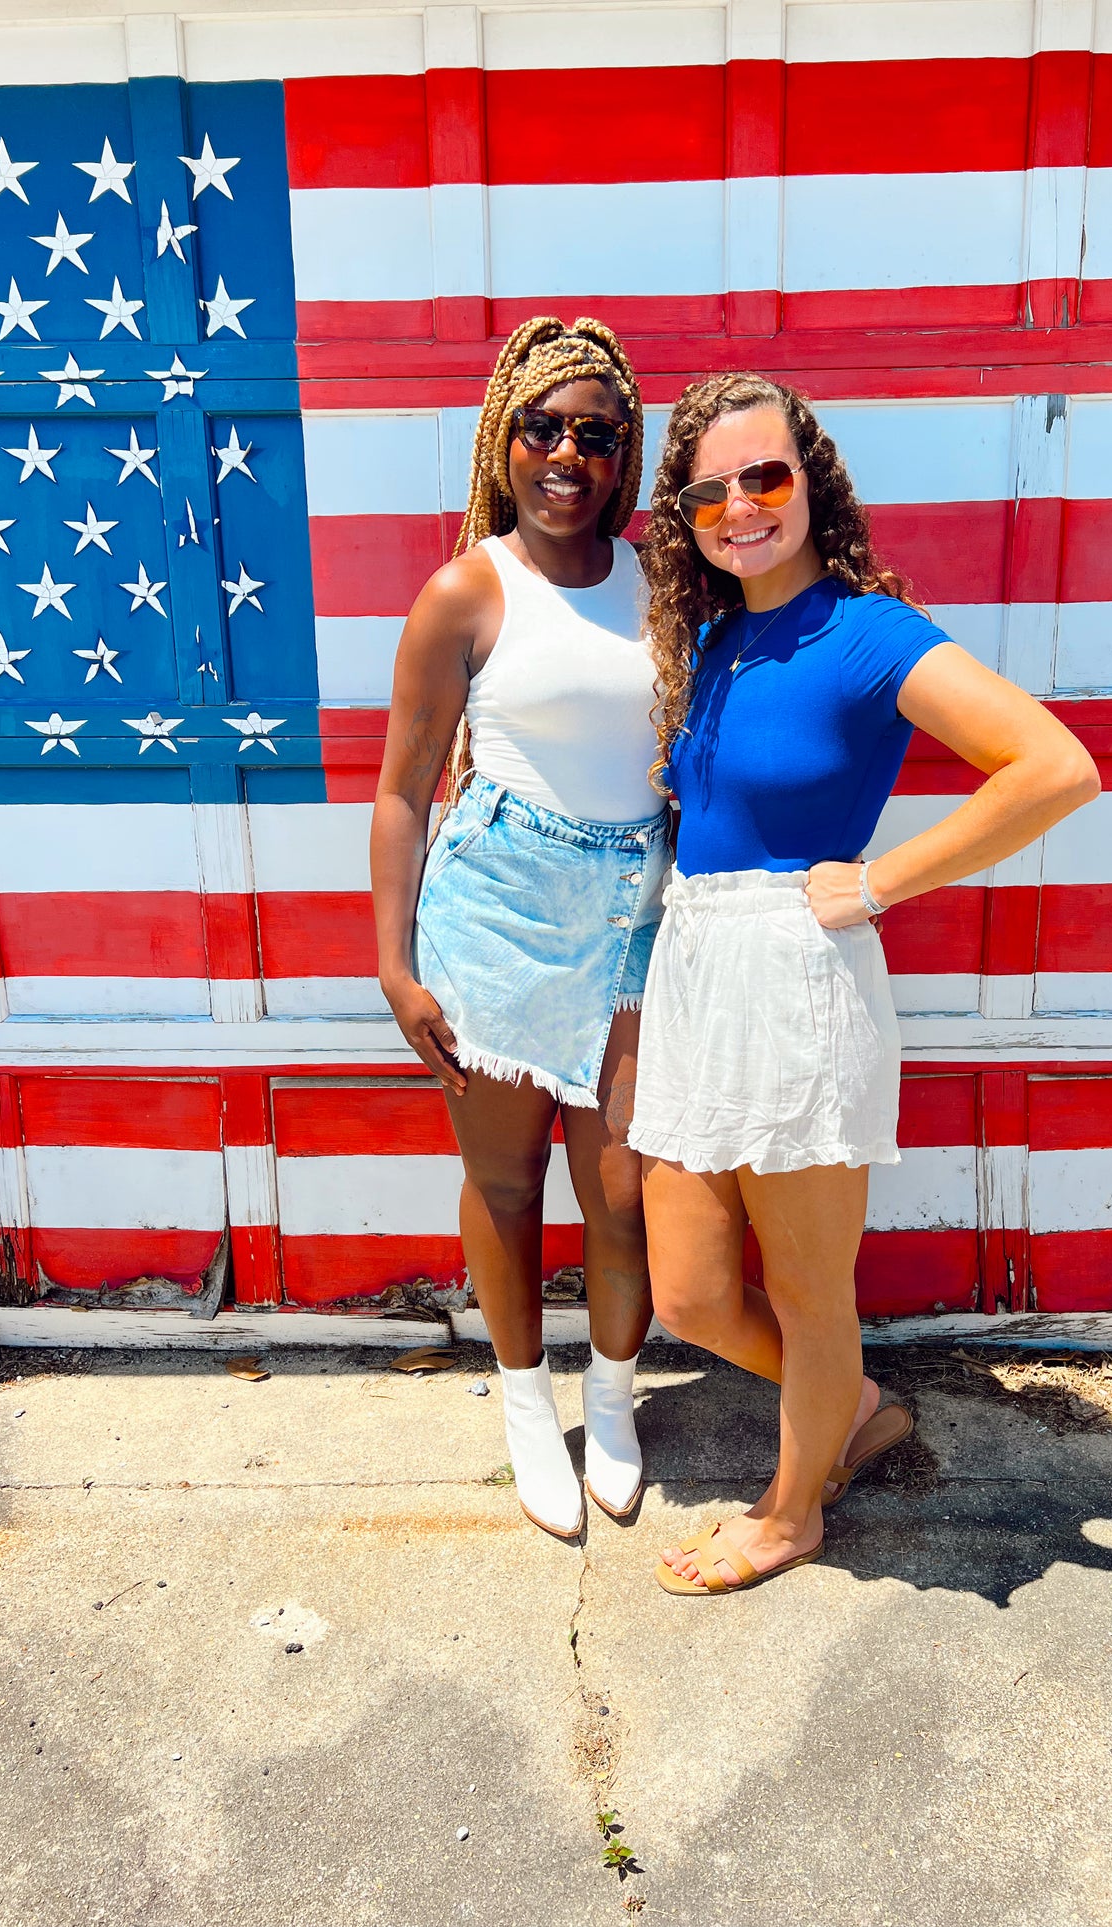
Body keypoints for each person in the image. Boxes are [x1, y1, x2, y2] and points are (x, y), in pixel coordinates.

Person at [630, 374, 1101, 1595]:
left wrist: (880, 880)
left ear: (810, 480)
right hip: (696, 970)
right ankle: (855, 1406)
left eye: (765, 477)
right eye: (709, 491)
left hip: (793, 975)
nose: (740, 507)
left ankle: (793, 1510)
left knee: (804, 1284)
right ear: (683, 515)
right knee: (684, 1290)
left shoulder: (867, 632)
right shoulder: (719, 635)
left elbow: (1051, 767)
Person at [370, 317, 668, 1540]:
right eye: (541, 427)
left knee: (622, 1190)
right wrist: (393, 968)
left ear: (623, 453)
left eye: (594, 434)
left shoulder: (667, 583)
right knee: (502, 1186)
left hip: (631, 924)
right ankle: (522, 1403)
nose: (566, 454)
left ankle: (610, 1395)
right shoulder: (465, 590)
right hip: (493, 921)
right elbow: (400, 790)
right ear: (503, 440)